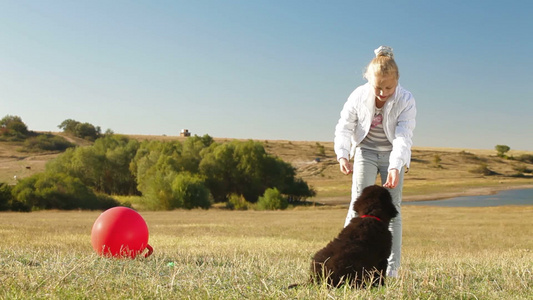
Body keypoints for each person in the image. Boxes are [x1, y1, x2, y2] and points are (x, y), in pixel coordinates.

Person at [334, 46, 417, 278]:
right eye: (378, 87)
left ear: (397, 80)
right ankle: (345, 261)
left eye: (388, 87)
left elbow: (403, 136)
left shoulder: (406, 99)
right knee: (357, 205)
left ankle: (392, 269)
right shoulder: (358, 95)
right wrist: (343, 154)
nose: (383, 93)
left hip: (393, 154)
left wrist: (395, 166)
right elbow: (344, 126)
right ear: (369, 81)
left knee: (394, 209)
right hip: (365, 152)